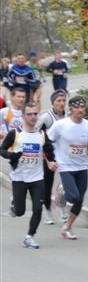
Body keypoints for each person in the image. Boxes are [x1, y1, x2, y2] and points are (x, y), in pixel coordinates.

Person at [46, 96, 88, 239]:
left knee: (79, 200)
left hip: (82, 166)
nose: (80, 110)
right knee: (73, 196)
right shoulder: (61, 125)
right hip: (66, 166)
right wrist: (51, 160)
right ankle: (62, 192)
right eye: (77, 107)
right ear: (70, 110)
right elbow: (47, 142)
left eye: (82, 107)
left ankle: (67, 227)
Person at [0, 102, 57, 249]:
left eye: (35, 114)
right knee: (20, 212)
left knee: (38, 208)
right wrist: (11, 155)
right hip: (19, 178)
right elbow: (2, 149)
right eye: (29, 114)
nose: (33, 117)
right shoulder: (15, 134)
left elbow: (49, 151)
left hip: (37, 177)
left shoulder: (41, 135)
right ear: (24, 116)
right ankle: (15, 207)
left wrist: (51, 162)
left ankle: (30, 237)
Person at [35, 89, 69, 224]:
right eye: (58, 101)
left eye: (64, 101)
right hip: (49, 156)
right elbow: (37, 136)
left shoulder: (68, 116)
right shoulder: (46, 118)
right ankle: (48, 211)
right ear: (53, 103)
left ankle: (61, 208)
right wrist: (47, 158)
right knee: (47, 186)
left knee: (67, 185)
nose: (62, 103)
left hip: (65, 155)